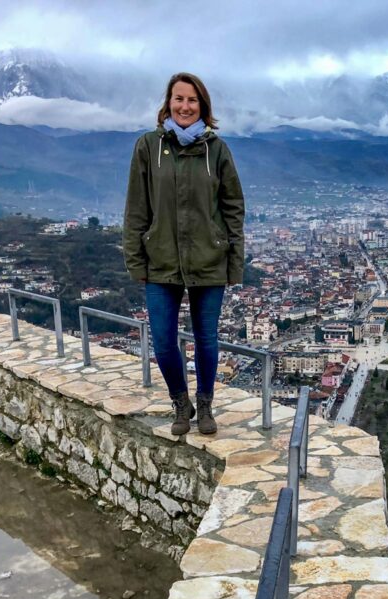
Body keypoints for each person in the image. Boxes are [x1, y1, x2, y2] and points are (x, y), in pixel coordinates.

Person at [123, 72, 245, 436]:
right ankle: (181, 402)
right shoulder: (148, 147)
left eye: (192, 100)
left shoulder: (217, 150)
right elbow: (136, 207)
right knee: (162, 339)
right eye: (179, 99)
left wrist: (233, 261)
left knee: (206, 339)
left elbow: (233, 207)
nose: (185, 106)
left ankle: (205, 404)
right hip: (160, 261)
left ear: (203, 107)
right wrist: (135, 257)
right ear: (168, 104)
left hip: (209, 260)